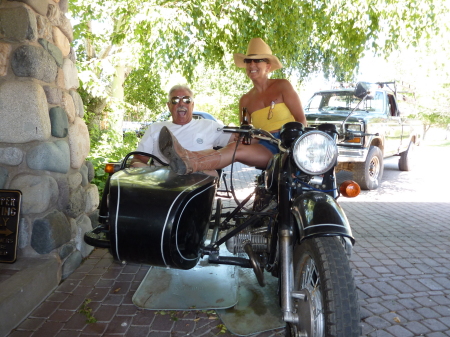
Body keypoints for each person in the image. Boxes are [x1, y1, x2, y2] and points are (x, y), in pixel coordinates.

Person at [159, 37, 307, 175]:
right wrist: (240, 136)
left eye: (258, 60)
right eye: (249, 61)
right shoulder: (245, 100)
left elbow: (302, 120)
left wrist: (295, 149)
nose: (252, 65)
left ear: (268, 66)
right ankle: (185, 159)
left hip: (290, 144)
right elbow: (247, 135)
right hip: (265, 146)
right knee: (234, 148)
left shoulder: (282, 85)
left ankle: (189, 162)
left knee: (236, 150)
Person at [131, 84, 233, 174]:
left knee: (212, 174)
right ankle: (175, 167)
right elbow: (138, 160)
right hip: (163, 180)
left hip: (198, 180)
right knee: (135, 166)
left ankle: (187, 160)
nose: (181, 104)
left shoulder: (210, 126)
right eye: (175, 100)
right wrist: (154, 172)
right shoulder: (155, 128)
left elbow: (238, 141)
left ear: (192, 104)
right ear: (169, 105)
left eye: (186, 100)